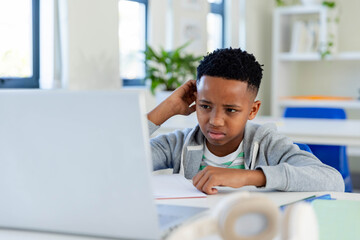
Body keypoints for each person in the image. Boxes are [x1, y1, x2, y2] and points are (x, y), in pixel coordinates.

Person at [147, 48, 344, 194]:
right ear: (196, 100)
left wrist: (248, 177)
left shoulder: (268, 144)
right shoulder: (177, 144)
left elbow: (333, 180)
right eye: (205, 106)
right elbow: (117, 160)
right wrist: (164, 110)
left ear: (253, 110)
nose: (215, 121)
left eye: (231, 110)